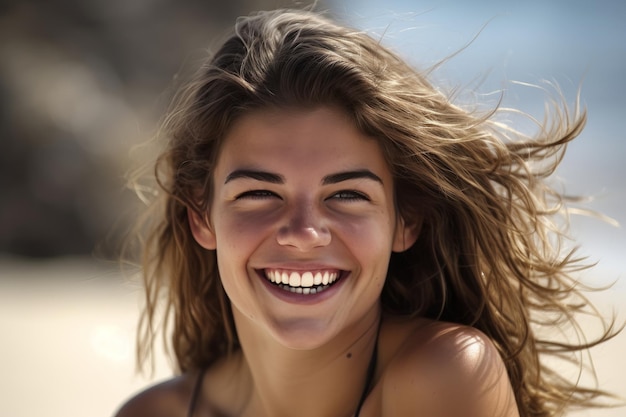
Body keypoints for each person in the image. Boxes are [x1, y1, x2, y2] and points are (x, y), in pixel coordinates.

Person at [115, 8, 621, 417]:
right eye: (259, 194)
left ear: (407, 221)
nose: (304, 233)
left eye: (347, 195)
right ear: (200, 217)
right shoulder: (153, 412)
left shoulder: (444, 375)